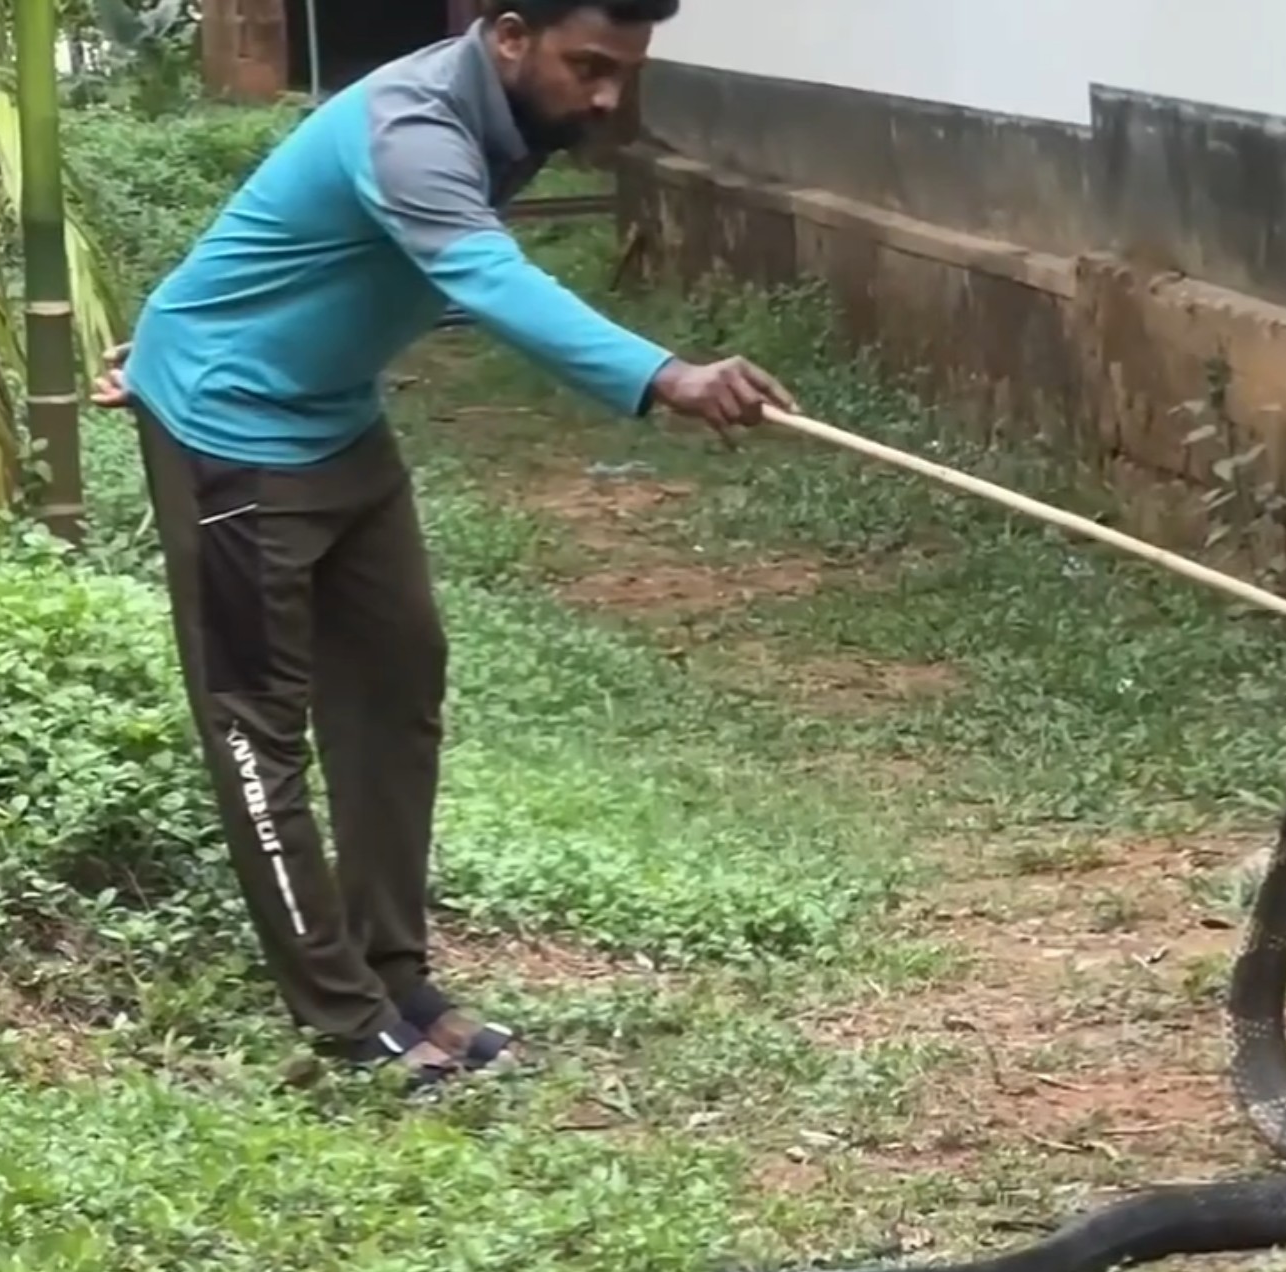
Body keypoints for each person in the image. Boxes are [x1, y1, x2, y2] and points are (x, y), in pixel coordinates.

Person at [89, 0, 796, 1091]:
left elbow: (296, 235)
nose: (607, 97)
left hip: (333, 418)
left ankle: (393, 971)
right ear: (510, 36)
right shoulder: (414, 123)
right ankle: (338, 1011)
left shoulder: (506, 116)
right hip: (229, 428)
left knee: (396, 681)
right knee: (256, 725)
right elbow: (487, 278)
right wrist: (666, 375)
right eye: (589, 66)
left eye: (624, 73)